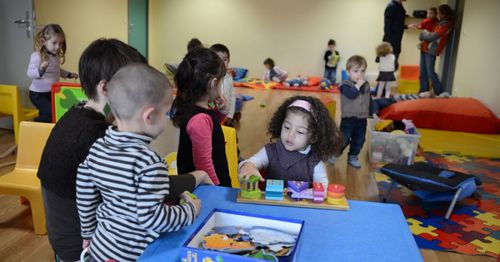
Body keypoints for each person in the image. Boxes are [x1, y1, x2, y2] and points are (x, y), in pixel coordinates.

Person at [77, 63, 211, 261]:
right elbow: (153, 219)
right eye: (167, 113)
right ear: (149, 116)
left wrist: (87, 232)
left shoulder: (98, 148)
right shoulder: (148, 162)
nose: (168, 119)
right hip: (136, 254)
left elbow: (84, 191)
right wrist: (190, 210)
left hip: (101, 249)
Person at [37, 38, 146, 261]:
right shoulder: (95, 134)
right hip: (82, 248)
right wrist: (196, 177)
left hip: (64, 239)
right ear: (105, 88)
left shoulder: (77, 114)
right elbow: (139, 190)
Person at [238, 96, 342, 191]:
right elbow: (251, 162)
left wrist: (299, 193)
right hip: (271, 207)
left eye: (300, 132)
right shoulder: (270, 151)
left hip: (301, 209)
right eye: (287, 127)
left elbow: (323, 189)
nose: (290, 135)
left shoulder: (314, 162)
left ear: (313, 137)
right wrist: (248, 166)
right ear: (281, 124)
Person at [172, 48, 232, 187]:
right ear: (213, 83)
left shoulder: (197, 107)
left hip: (205, 184)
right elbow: (203, 166)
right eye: (221, 81)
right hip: (207, 188)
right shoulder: (200, 119)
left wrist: (220, 111)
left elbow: (212, 126)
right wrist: (215, 190)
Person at [27, 24, 78, 122]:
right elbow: (30, 73)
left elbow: (57, 70)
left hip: (51, 92)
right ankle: (32, 123)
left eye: (61, 43)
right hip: (37, 94)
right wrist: (41, 70)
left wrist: (68, 74)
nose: (58, 47)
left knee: (51, 113)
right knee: (51, 113)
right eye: (54, 43)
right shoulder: (37, 56)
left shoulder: (55, 56)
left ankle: (43, 132)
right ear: (44, 42)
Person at [338, 55, 370, 168]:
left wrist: (373, 111)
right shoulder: (344, 85)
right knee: (344, 138)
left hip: (362, 119)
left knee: (359, 140)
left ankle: (353, 155)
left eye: (362, 71)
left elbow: (368, 99)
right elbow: (351, 94)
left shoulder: (366, 85)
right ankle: (336, 151)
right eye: (355, 71)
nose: (359, 74)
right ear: (348, 72)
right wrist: (358, 85)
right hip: (348, 119)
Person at [418, 4, 454, 95]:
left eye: (438, 13)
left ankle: (440, 93)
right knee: (422, 73)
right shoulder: (439, 23)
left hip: (431, 50)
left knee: (430, 73)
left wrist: (423, 33)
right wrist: (424, 37)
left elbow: (433, 36)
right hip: (424, 48)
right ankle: (423, 92)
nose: (437, 15)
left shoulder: (446, 25)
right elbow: (429, 35)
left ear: (444, 14)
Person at [210, 43, 236, 125]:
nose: (221, 62)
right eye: (218, 59)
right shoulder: (209, 79)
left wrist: (230, 115)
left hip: (226, 113)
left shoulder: (229, 78)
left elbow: (232, 97)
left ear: (229, 61)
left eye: (225, 59)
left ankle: (234, 117)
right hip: (213, 114)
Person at [371, 91, 451, 116]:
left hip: (392, 101)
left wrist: (438, 98)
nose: (423, 93)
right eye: (425, 92)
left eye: (425, 94)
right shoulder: (417, 96)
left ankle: (375, 114)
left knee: (376, 102)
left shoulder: (418, 99)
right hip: (392, 99)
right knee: (376, 102)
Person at [383, 0, 406, 70]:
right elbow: (387, 26)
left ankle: (388, 79)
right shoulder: (391, 6)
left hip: (397, 40)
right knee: (389, 66)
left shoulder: (399, 5)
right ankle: (385, 80)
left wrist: (407, 26)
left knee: (393, 66)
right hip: (391, 41)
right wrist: (388, 44)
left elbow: (397, 23)